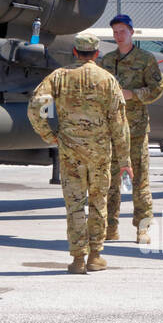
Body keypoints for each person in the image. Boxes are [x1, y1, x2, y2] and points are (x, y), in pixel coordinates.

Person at [28, 34, 133, 275]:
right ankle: (95, 256)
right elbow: (119, 123)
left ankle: (77, 259)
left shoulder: (58, 76)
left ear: (75, 52)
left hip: (69, 153)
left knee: (74, 205)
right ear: (96, 54)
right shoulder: (107, 79)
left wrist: (48, 134)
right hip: (99, 154)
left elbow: (36, 104)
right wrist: (125, 159)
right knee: (98, 203)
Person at [98, 13, 163, 243]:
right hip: (112, 130)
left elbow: (157, 89)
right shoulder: (106, 61)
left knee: (140, 180)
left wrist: (133, 94)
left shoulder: (145, 59)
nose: (118, 36)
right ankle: (110, 227)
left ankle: (143, 228)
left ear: (131, 33)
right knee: (110, 181)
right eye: (115, 32)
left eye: (122, 31)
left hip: (135, 130)